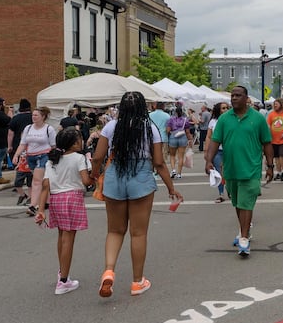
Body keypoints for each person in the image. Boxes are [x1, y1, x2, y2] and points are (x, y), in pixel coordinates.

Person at [91, 92, 181, 297]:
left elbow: (97, 157)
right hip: (140, 176)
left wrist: (94, 176)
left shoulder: (111, 126)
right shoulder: (151, 128)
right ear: (144, 107)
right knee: (138, 233)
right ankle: (137, 281)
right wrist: (171, 188)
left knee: (115, 230)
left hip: (115, 175)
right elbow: (158, 162)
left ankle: (109, 271)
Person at [203, 85, 274, 258]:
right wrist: (209, 160)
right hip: (231, 168)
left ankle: (243, 238)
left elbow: (267, 143)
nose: (234, 98)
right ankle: (245, 230)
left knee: (246, 203)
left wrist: (270, 166)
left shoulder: (257, 118)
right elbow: (215, 140)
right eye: (232, 95)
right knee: (237, 202)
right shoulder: (225, 119)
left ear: (246, 98)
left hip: (251, 168)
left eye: (238, 95)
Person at [36, 128, 92, 295]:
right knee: (69, 238)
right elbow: (86, 181)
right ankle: (64, 281)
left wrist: (40, 210)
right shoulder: (79, 158)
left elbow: (45, 186)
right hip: (72, 198)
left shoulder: (51, 160)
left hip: (56, 199)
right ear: (75, 143)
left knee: (61, 237)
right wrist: (94, 176)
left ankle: (62, 271)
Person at [16, 108, 57, 213]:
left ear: (43, 117)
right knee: (42, 180)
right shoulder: (28, 128)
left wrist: (52, 158)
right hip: (31, 157)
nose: (33, 117)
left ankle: (33, 205)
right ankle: (47, 201)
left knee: (36, 180)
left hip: (43, 155)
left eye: (36, 115)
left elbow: (53, 145)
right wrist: (17, 155)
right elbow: (23, 143)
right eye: (33, 115)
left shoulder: (49, 129)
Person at [165, 103, 190, 177]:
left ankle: (173, 170)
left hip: (173, 137)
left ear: (175, 112)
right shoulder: (185, 120)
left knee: (172, 155)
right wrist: (190, 140)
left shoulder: (171, 119)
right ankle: (179, 173)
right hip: (183, 137)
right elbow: (187, 132)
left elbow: (168, 130)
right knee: (181, 156)